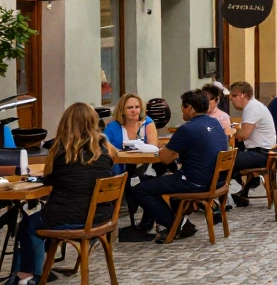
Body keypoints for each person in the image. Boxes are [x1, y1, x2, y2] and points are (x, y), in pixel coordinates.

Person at [10, 103, 116, 284]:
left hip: (67, 215)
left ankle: (28, 276)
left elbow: (48, 178)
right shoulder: (105, 149)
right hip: (100, 216)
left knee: (28, 225)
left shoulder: (61, 150)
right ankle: (36, 272)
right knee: (41, 221)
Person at [133, 90, 226, 243]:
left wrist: (167, 148)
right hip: (218, 181)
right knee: (161, 181)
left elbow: (165, 158)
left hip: (195, 182)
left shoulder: (187, 129)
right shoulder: (215, 123)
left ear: (191, 108)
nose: (181, 109)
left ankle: (176, 225)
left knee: (141, 190)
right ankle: (176, 221)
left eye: (183, 106)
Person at [228, 81, 276, 207]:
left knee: (225, 159)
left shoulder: (251, 108)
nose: (230, 98)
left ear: (243, 95)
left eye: (234, 95)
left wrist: (229, 132)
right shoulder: (254, 106)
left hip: (261, 154)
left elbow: (243, 134)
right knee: (230, 156)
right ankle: (238, 190)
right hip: (263, 151)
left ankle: (232, 190)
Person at [103, 93, 158, 174]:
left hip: (144, 168)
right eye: (130, 107)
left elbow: (153, 149)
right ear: (122, 111)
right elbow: (105, 150)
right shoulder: (113, 126)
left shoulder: (147, 123)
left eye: (137, 107)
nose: (134, 111)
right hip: (119, 170)